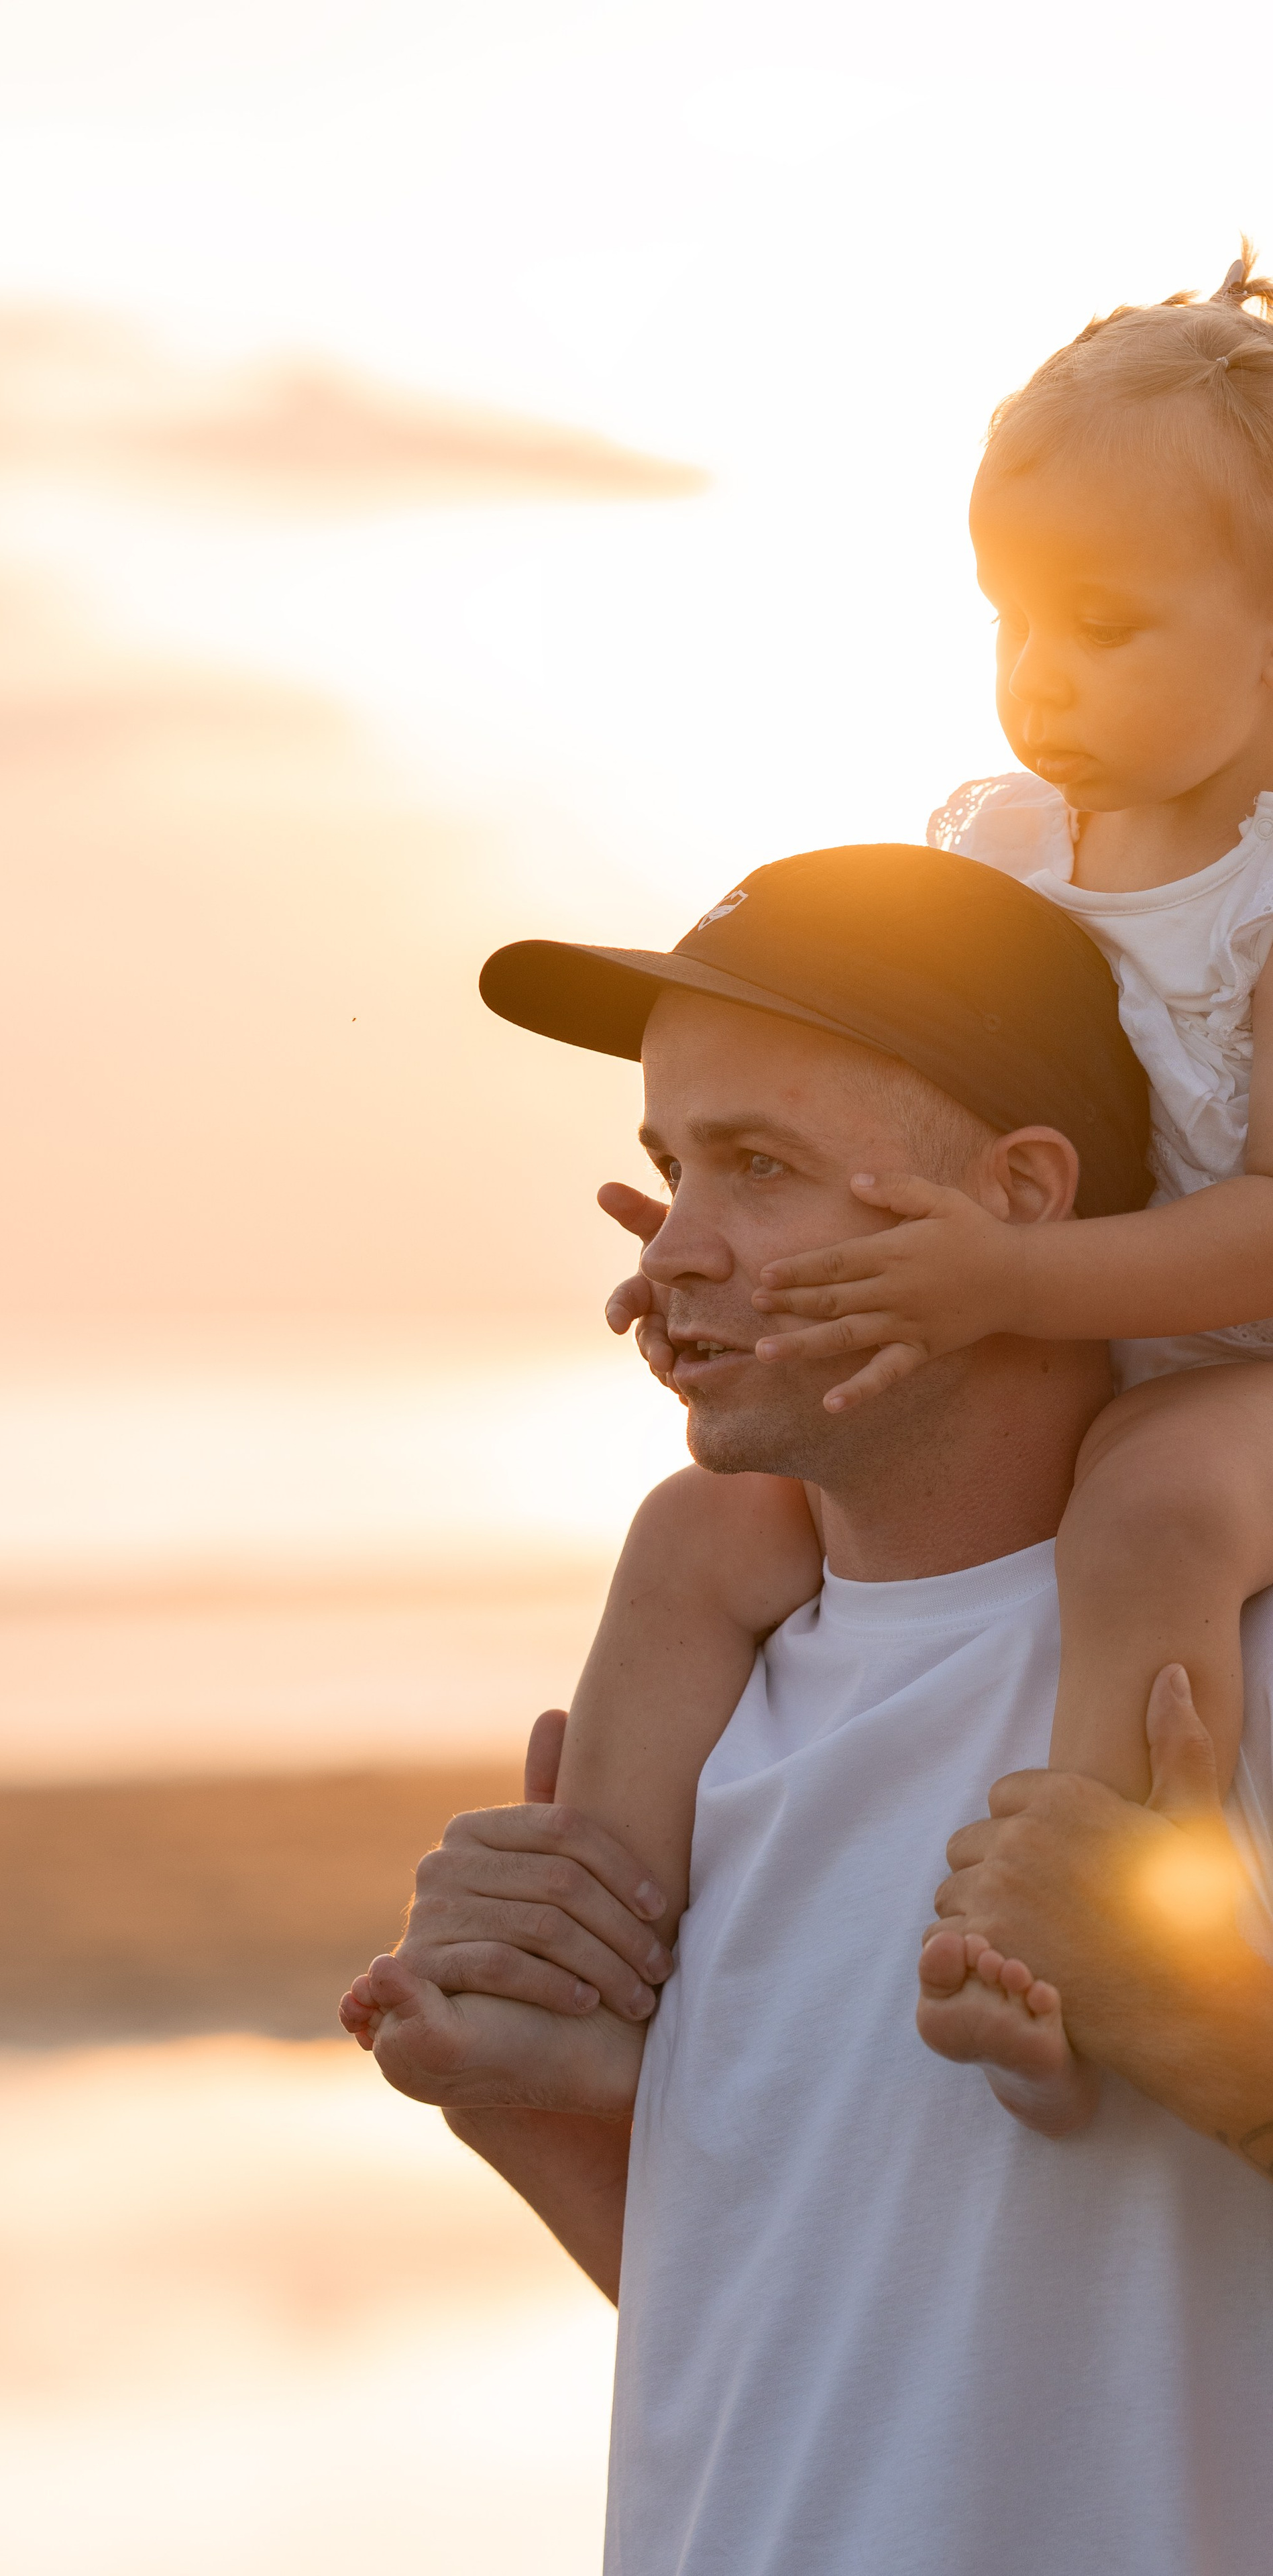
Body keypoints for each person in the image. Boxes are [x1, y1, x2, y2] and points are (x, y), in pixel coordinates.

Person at [391, 246, 1273, 2143]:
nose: (1043, 676)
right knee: (697, 1531)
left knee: (1158, 1499)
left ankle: (1092, 1932)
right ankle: (589, 1981)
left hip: (1235, 1370)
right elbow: (935, 1098)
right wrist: (750, 1251)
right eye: (1011, 619)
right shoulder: (1012, 849)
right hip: (1063, 1328)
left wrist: (1005, 1287)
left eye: (1107, 623)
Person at [342, 855, 1273, 2571]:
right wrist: (517, 2100)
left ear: (1021, 1196)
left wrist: (1214, 2031)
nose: (670, 1255)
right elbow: (807, 2345)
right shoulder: (704, 1695)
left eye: (756, 1169)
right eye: (667, 1173)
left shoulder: (1216, 1658)